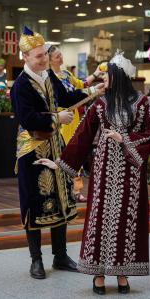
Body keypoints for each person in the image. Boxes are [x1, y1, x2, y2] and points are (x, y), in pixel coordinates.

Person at [38, 51, 150, 294]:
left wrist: (124, 138)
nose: (104, 80)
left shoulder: (142, 102)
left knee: (127, 219)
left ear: (120, 77)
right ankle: (98, 274)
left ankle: (123, 273)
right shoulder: (100, 103)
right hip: (103, 170)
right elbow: (82, 136)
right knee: (101, 218)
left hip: (130, 173)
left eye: (108, 76)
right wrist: (60, 163)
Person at [10, 26, 104, 280]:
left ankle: (60, 255)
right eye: (38, 56)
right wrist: (56, 118)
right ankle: (36, 260)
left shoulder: (49, 77)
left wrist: (95, 91)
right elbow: (27, 118)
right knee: (34, 202)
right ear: (26, 57)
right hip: (32, 150)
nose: (44, 59)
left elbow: (67, 95)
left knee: (62, 199)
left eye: (44, 54)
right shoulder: (20, 85)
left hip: (55, 148)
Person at [48, 45, 102, 201]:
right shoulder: (50, 78)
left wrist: (95, 74)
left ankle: (76, 190)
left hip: (74, 119)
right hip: (60, 119)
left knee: (76, 152)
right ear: (50, 60)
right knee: (61, 154)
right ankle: (60, 189)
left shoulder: (66, 74)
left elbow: (81, 84)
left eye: (60, 55)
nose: (61, 58)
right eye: (57, 56)